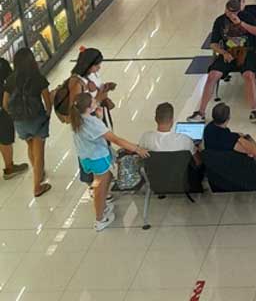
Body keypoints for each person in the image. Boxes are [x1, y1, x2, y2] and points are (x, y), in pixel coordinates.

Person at [71, 92, 149, 231]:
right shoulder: (92, 123)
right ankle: (100, 219)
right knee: (100, 187)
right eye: (93, 101)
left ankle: (103, 208)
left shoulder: (77, 119)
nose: (96, 101)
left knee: (102, 181)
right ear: (88, 108)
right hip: (98, 158)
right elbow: (116, 140)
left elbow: (92, 133)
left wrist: (99, 118)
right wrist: (137, 149)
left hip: (86, 158)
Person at [189, 0, 256, 123]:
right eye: (228, 11)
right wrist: (223, 53)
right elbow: (213, 44)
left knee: (249, 75)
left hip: (247, 52)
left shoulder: (247, 17)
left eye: (233, 12)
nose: (230, 14)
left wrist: (240, 23)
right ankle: (201, 112)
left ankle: (254, 110)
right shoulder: (220, 21)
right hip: (228, 53)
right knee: (212, 75)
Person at [3, 48, 52, 197]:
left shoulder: (11, 79)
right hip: (36, 119)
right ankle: (37, 186)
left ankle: (38, 172)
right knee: (39, 153)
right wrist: (47, 115)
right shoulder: (38, 77)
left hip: (19, 121)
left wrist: (14, 115)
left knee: (30, 146)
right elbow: (47, 102)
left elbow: (5, 104)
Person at [0, 55, 27, 182]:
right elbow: (12, 82)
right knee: (5, 138)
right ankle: (9, 168)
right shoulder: (2, 63)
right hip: (2, 109)